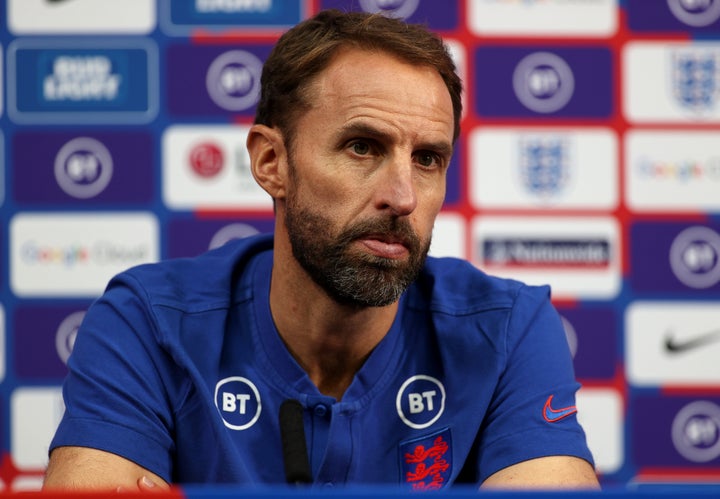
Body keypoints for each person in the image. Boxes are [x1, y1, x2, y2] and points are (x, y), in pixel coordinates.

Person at [43, 9, 599, 492]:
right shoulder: (147, 322)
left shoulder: (508, 329)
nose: (402, 197)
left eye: (428, 159)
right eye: (362, 147)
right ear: (270, 163)